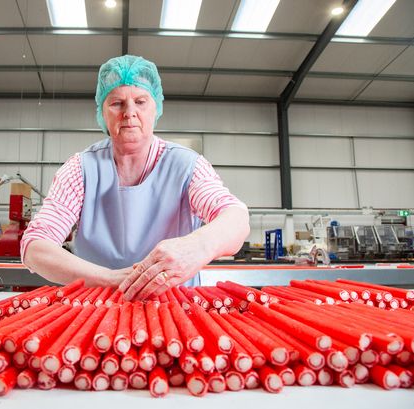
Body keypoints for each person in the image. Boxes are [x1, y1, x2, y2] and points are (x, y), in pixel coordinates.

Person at [21, 55, 249, 301]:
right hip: (96, 310)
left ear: (156, 108)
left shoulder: (187, 166)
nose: (129, 113)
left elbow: (236, 216)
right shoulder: (81, 169)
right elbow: (35, 246)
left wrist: (198, 246)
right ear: (102, 113)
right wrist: (113, 280)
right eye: (117, 103)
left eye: (140, 101)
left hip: (175, 311)